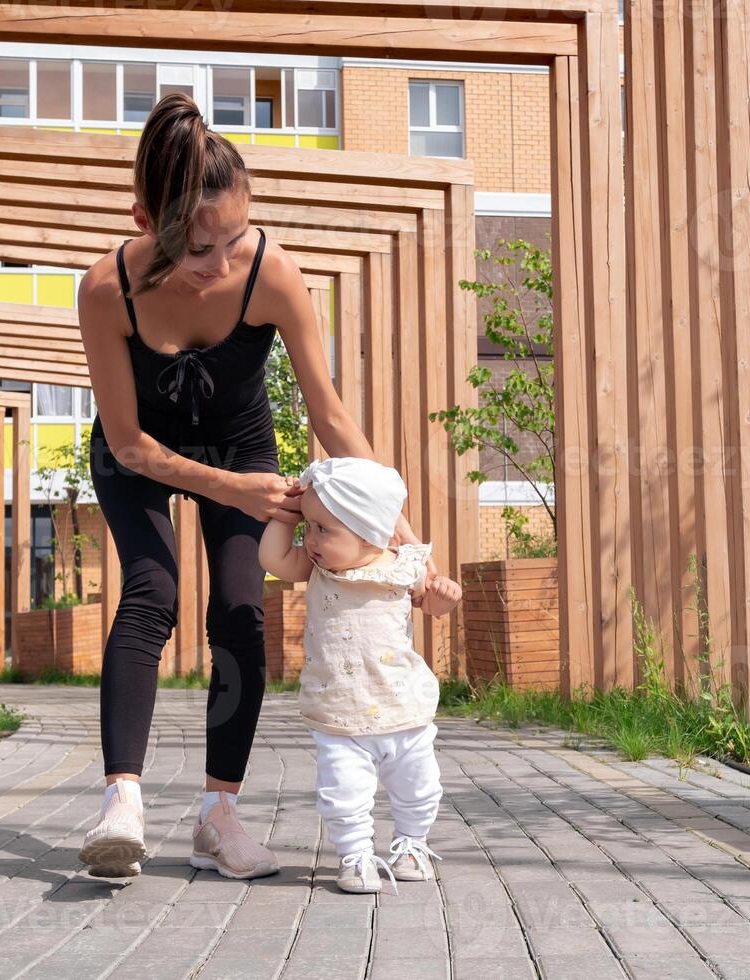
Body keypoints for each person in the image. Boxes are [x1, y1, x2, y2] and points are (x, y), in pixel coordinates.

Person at [72, 94, 448, 879]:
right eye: (203, 246)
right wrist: (233, 489)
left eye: (237, 234)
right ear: (145, 222)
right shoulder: (104, 289)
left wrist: (402, 541)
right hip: (137, 455)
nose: (224, 259)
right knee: (150, 590)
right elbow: (132, 443)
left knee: (241, 608)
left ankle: (219, 812)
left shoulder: (271, 272)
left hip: (242, 443)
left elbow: (332, 417)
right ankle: (123, 801)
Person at [258, 456, 463, 894]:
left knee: (420, 788)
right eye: (307, 527)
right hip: (339, 713)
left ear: (369, 529)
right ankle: (355, 855)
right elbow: (272, 557)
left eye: (323, 529)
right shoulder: (318, 570)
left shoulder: (403, 567)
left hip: (403, 708)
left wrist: (444, 598)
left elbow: (431, 605)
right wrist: (290, 511)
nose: (310, 539)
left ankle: (411, 844)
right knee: (343, 793)